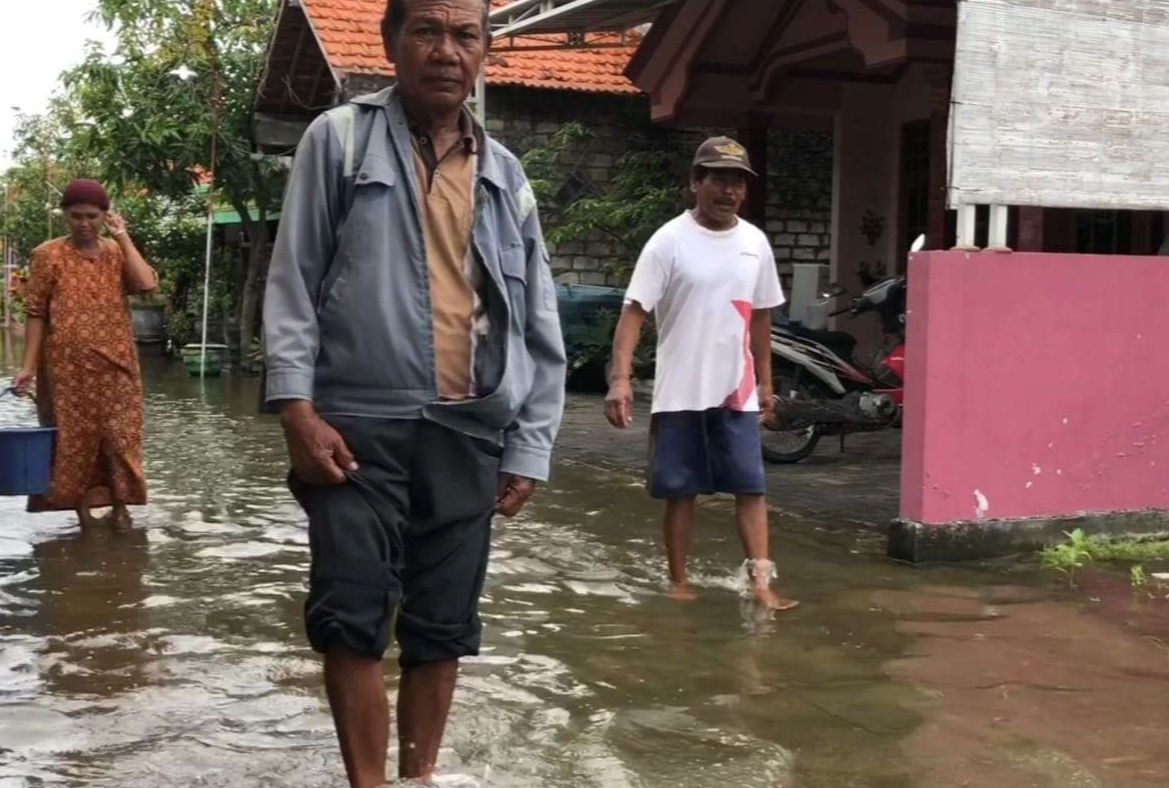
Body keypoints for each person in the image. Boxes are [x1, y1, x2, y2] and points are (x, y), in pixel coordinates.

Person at [262, 0, 567, 783]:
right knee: (349, 617)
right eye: (426, 31)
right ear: (391, 41)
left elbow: (536, 319)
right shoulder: (339, 140)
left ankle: (418, 777)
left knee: (443, 626)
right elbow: (293, 281)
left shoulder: (504, 175)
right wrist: (297, 409)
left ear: (486, 52)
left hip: (468, 429)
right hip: (351, 426)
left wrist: (529, 444)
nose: (444, 50)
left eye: (464, 35)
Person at [605, 137, 797, 610]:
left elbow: (761, 316)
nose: (728, 190)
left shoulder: (755, 242)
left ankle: (760, 582)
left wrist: (767, 385)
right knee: (682, 491)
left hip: (737, 390)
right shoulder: (668, 240)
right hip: (680, 389)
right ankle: (677, 580)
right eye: (717, 179)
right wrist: (620, 378)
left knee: (751, 487)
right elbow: (634, 313)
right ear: (695, 183)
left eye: (737, 182)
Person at [12, 179, 159, 532]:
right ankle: (82, 512)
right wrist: (28, 367)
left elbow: (147, 285)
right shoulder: (48, 255)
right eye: (76, 216)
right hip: (66, 369)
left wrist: (122, 236)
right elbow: (36, 312)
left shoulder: (115, 252)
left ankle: (121, 505)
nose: (84, 223)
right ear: (65, 215)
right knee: (73, 439)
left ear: (104, 216)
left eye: (92, 216)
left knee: (120, 437)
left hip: (117, 365)